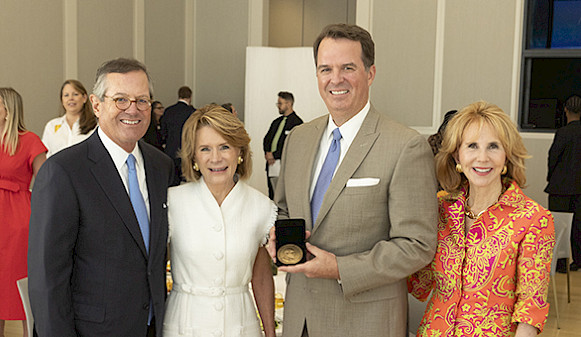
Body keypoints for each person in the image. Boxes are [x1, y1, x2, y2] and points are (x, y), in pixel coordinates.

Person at [266, 24, 438, 337]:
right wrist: (276, 237)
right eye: (325, 69)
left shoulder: (405, 146)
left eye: (348, 68)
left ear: (370, 73)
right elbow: (284, 210)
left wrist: (339, 269)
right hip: (299, 317)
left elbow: (417, 245)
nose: (336, 79)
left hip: (365, 322)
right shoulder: (299, 139)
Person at [28, 58, 174, 337]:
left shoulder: (160, 166)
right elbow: (47, 279)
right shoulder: (63, 172)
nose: (133, 109)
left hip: (152, 327)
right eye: (120, 99)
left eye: (142, 100)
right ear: (96, 105)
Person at [408, 101, 555, 336]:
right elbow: (418, 284)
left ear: (506, 155)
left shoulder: (533, 219)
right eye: (472, 146)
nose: (482, 157)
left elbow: (531, 309)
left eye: (493, 146)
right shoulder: (438, 208)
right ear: (457, 154)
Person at [163, 104, 275, 337]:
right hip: (184, 324)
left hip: (242, 325)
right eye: (205, 149)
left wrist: (270, 333)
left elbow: (262, 278)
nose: (215, 158)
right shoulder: (172, 202)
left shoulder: (261, 207)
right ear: (193, 156)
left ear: (240, 152)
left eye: (225, 147)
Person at [0, 87, 46, 337]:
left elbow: (47, 182)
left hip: (17, 219)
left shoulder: (29, 140)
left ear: (8, 110)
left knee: (19, 286)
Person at [545, 94, 581, 272]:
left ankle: (560, 264)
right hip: (580, 188)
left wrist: (551, 176)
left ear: (565, 110)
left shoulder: (563, 132)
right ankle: (578, 261)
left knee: (558, 226)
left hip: (560, 186)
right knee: (578, 225)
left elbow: (553, 157)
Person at [263, 91, 303, 199]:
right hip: (271, 165)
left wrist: (274, 155)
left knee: (284, 196)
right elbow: (266, 139)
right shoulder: (276, 122)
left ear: (289, 104)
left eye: (280, 103)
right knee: (272, 194)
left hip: (285, 165)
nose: (278, 106)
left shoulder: (297, 123)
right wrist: (267, 154)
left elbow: (292, 145)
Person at [42, 79, 97, 157]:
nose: (71, 98)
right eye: (66, 95)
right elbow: (46, 156)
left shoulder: (96, 125)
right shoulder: (51, 126)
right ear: (62, 99)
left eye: (75, 94)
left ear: (84, 98)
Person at [161, 86, 195, 185]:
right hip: (186, 151)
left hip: (170, 150)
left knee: (172, 183)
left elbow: (163, 131)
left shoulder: (168, 111)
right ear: (190, 96)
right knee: (188, 183)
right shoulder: (192, 112)